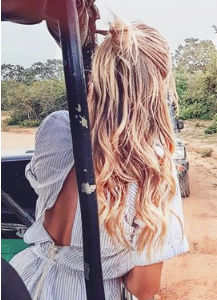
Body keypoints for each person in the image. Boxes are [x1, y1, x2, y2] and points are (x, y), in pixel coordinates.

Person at [10, 19, 189, 300]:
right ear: (161, 79)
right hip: (95, 291)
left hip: (27, 281)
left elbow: (53, 220)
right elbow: (143, 287)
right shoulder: (152, 165)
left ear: (100, 69)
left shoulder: (55, 127)